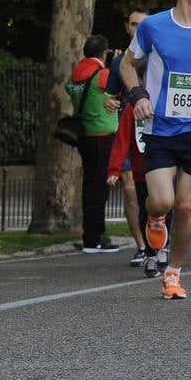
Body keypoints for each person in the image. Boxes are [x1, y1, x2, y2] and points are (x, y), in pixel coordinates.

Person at [120, 0, 191, 300]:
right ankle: (154, 218)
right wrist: (138, 96)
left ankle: (174, 274)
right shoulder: (154, 26)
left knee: (185, 205)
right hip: (160, 127)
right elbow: (126, 64)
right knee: (161, 200)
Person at [104, 9, 150, 265]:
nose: (137, 29)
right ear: (127, 27)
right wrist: (109, 102)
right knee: (131, 190)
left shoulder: (157, 56)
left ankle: (155, 242)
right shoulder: (118, 62)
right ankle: (142, 245)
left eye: (142, 25)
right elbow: (108, 96)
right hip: (129, 131)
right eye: (133, 25)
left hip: (152, 134)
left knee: (152, 194)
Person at [68, 34, 120, 254]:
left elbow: (69, 89)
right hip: (102, 136)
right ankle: (94, 238)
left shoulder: (76, 74)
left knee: (89, 186)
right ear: (104, 52)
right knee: (99, 189)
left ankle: (89, 234)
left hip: (84, 135)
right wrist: (116, 65)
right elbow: (118, 89)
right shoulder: (103, 74)